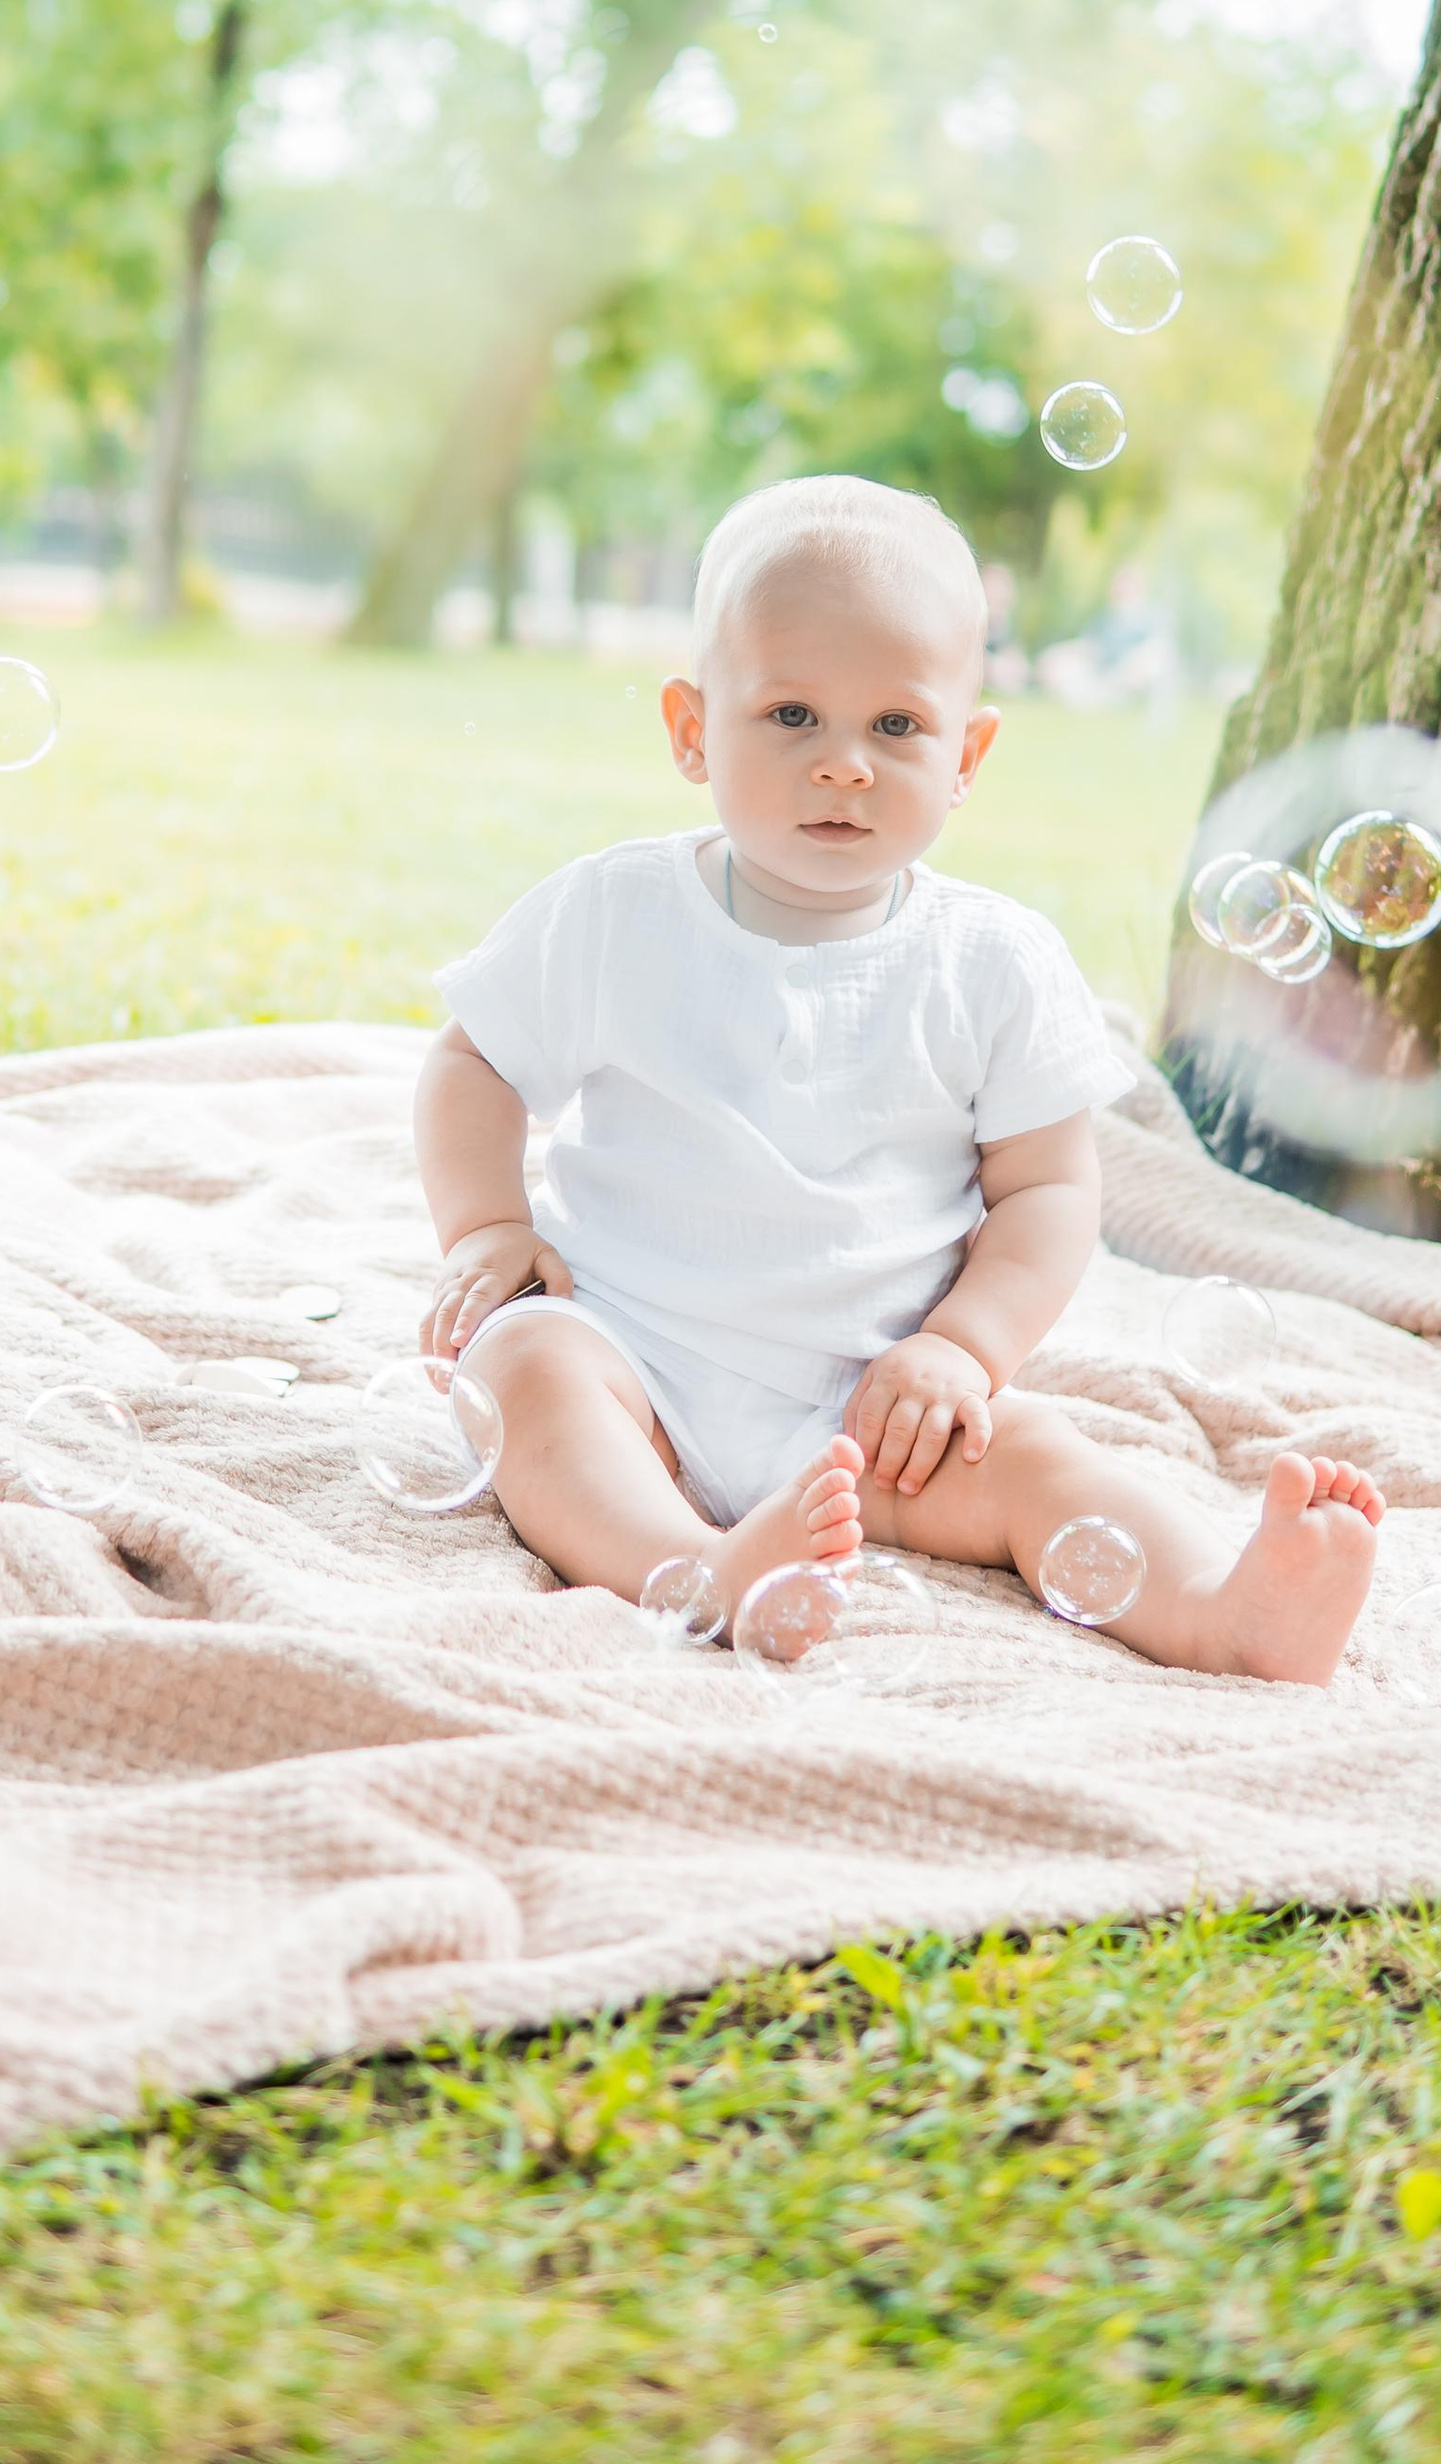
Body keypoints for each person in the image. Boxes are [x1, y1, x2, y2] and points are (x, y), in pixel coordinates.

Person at [413, 473, 1383, 1683]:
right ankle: (697, 1568)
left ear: (966, 751)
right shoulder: (614, 912)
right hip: (633, 1360)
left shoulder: (993, 961)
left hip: (875, 1406)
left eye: (895, 728)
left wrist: (961, 1351)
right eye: (789, 717)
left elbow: (1046, 1193)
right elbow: (474, 1064)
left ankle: (1223, 1612)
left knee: (1041, 1461)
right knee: (519, 1372)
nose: (843, 768)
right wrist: (489, 1226)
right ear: (688, 727)